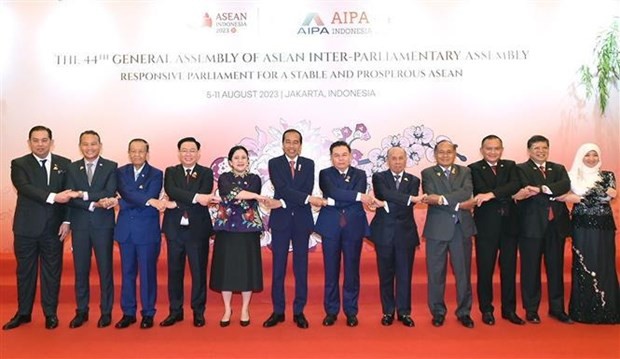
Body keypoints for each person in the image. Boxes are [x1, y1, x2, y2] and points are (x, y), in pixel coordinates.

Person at [3, 125, 74, 330]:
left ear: (51, 142)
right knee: (25, 272)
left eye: (44, 140)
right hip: (26, 228)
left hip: (54, 229)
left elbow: (68, 196)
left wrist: (67, 221)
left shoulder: (64, 163)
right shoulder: (19, 164)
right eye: (36, 140)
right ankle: (23, 313)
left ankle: (50, 314)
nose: (40, 144)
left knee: (52, 272)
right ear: (29, 142)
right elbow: (24, 188)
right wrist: (53, 197)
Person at [262, 129, 326, 329]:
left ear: (300, 145)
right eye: (288, 142)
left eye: (295, 142)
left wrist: (281, 202)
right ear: (282, 144)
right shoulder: (274, 163)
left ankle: (299, 311)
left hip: (301, 221)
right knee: (278, 268)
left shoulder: (308, 164)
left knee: (301, 268)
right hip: (281, 222)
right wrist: (302, 199)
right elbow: (282, 188)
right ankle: (278, 311)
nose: (292, 145)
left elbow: (304, 188)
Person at [556, 143, 619, 323]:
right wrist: (597, 194)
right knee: (585, 262)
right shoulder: (571, 175)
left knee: (604, 262)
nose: (591, 159)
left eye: (595, 155)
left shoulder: (607, 175)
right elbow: (561, 195)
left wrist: (582, 197)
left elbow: (610, 196)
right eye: (587, 155)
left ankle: (607, 310)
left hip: (604, 225)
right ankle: (584, 311)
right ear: (580, 156)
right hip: (581, 224)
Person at [513, 135, 572, 324]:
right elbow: (524, 189)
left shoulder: (558, 168)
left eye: (544, 148)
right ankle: (531, 309)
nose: (541, 151)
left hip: (556, 226)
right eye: (536, 148)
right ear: (529, 150)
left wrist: (540, 189)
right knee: (530, 269)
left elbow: (565, 185)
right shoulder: (520, 169)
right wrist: (552, 191)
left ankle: (557, 309)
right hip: (531, 226)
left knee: (556, 269)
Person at [160, 137, 218, 328]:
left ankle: (198, 312)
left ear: (198, 153)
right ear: (179, 153)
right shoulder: (171, 172)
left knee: (199, 273)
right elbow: (171, 190)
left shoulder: (206, 173)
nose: (188, 154)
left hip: (197, 230)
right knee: (174, 272)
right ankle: (175, 311)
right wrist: (195, 197)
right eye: (184, 150)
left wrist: (178, 201)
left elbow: (205, 193)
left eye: (192, 150)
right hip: (175, 229)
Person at [468, 135, 524, 325]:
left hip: (510, 224)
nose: (493, 152)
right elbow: (479, 189)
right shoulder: (474, 168)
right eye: (489, 148)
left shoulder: (510, 165)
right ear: (482, 150)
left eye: (496, 148)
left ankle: (509, 310)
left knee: (509, 269)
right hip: (486, 226)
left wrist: (492, 194)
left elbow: (515, 185)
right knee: (485, 269)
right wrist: (504, 192)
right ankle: (487, 309)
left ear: (502, 149)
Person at [314, 141, 372, 327]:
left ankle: (351, 311)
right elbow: (332, 191)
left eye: (344, 154)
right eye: (336, 155)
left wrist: (332, 202)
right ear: (331, 157)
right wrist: (356, 197)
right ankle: (331, 311)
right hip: (331, 227)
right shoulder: (325, 174)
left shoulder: (360, 174)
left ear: (350, 156)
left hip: (353, 226)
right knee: (331, 271)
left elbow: (337, 196)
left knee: (351, 271)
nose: (340, 158)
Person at [66, 130, 118, 328]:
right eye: (85, 144)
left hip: (103, 226)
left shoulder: (111, 166)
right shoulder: (71, 167)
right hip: (80, 225)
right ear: (80, 146)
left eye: (93, 144)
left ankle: (106, 311)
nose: (89, 148)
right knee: (81, 270)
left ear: (100, 145)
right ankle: (82, 311)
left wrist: (82, 194)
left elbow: (108, 192)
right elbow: (71, 195)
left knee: (105, 270)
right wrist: (91, 203)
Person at [422, 140, 477, 328]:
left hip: (461, 229)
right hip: (437, 230)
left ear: (455, 153)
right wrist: (459, 204)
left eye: (449, 152)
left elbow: (466, 191)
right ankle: (438, 311)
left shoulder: (465, 171)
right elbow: (430, 196)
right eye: (441, 152)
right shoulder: (428, 173)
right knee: (435, 274)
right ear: (435, 154)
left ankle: (464, 312)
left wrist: (443, 199)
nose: (445, 155)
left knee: (463, 274)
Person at [210, 145, 266, 327]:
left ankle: (244, 309)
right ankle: (227, 308)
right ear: (230, 162)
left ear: (248, 161)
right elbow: (230, 192)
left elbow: (244, 197)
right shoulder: (224, 178)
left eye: (244, 157)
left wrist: (251, 197)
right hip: (226, 231)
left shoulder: (255, 178)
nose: (240, 160)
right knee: (225, 270)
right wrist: (254, 197)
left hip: (247, 231)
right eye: (236, 158)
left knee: (246, 270)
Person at [368, 146, 424, 327]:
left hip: (405, 234)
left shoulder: (414, 180)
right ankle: (388, 311)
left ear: (406, 160)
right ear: (388, 160)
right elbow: (383, 193)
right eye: (394, 158)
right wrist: (406, 199)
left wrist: (385, 204)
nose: (398, 162)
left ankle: (404, 312)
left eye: (401, 158)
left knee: (405, 275)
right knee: (385, 275)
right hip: (384, 233)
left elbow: (404, 205)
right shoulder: (379, 177)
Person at [114, 138, 164, 329]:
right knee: (127, 273)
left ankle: (148, 313)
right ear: (129, 152)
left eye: (141, 151)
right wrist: (149, 201)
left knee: (147, 274)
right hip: (126, 231)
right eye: (133, 151)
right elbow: (127, 192)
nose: (137, 154)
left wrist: (122, 201)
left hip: (147, 232)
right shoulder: (120, 172)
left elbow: (131, 195)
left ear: (147, 153)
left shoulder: (157, 174)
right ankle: (128, 313)